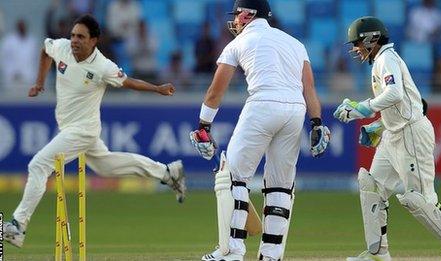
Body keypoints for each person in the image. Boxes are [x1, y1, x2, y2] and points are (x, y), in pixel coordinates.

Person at [3, 14, 186, 248]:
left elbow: (128, 82)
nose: (74, 40)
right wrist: (39, 82)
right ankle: (168, 172)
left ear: (93, 41)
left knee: (38, 164)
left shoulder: (103, 66)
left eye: (81, 37)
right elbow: (44, 50)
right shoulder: (61, 48)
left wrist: (157, 88)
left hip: (84, 130)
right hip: (69, 127)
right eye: (73, 35)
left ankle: (18, 226)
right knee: (105, 165)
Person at [189, 1, 330, 260]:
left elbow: (215, 91)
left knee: (233, 176)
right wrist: (317, 122)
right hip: (295, 110)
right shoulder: (295, 43)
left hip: (263, 105)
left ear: (247, 14)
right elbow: (309, 88)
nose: (235, 21)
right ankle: (271, 255)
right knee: (280, 185)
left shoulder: (238, 43)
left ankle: (232, 250)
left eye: (237, 15)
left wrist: (203, 126)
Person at [333, 16, 441, 261]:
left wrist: (362, 109)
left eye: (357, 43)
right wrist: (380, 125)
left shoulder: (387, 59)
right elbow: (407, 102)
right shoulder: (381, 61)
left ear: (371, 39)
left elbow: (394, 94)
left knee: (419, 199)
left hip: (411, 134)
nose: (355, 49)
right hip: (394, 134)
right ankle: (377, 253)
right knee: (372, 186)